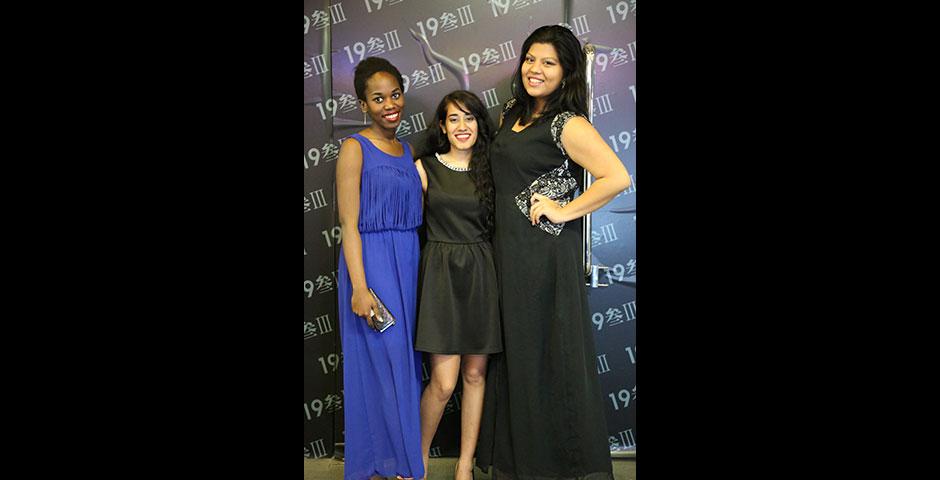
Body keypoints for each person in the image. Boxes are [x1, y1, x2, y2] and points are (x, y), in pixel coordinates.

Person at [475, 25, 632, 480]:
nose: (535, 69)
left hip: (546, 260)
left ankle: (559, 465)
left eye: (548, 62)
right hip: (507, 254)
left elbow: (616, 177)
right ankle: (521, 461)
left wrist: (563, 211)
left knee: (550, 356)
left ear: (566, 72)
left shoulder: (568, 123)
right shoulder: (509, 113)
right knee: (517, 356)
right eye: (529, 58)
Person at [336, 56, 424, 480]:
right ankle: (374, 465)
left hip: (408, 263)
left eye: (395, 94)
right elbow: (348, 224)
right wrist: (359, 287)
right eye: (378, 98)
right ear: (363, 104)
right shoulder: (354, 148)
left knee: (404, 367)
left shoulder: (407, 150)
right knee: (377, 364)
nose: (389, 104)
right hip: (370, 266)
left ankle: (403, 465)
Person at [412, 91, 501, 480]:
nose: (462, 127)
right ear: (442, 126)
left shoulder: (492, 167)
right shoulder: (423, 167)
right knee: (443, 383)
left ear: (479, 124)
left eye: (469, 118)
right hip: (440, 277)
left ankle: (465, 465)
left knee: (475, 376)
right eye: (453, 119)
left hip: (481, 273)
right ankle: (418, 458)